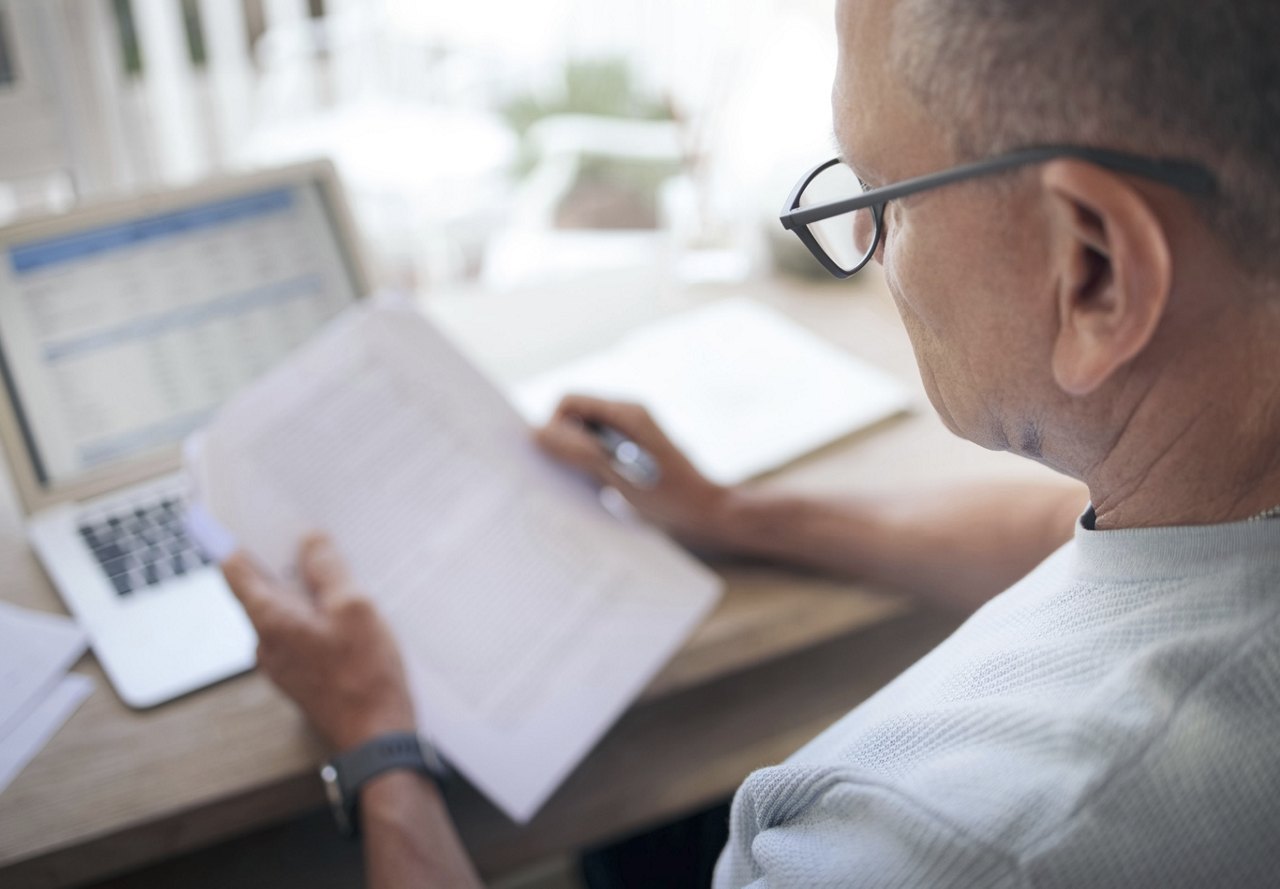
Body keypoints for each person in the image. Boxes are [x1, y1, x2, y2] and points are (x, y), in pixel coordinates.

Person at [222, 0, 1280, 884]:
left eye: (878, 200)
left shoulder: (926, 846)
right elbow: (1077, 535)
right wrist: (739, 517)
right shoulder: (1218, 473)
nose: (870, 254)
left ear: (1092, 270)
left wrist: (380, 752)